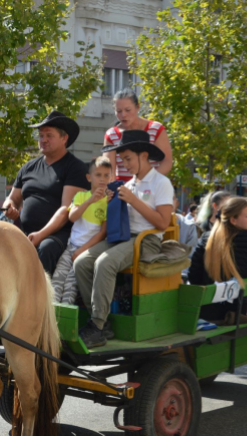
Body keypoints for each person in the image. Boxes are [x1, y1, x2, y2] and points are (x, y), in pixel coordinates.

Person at [74, 130, 173, 348]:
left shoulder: (161, 183)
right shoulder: (128, 185)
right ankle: (101, 322)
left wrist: (133, 201)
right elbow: (121, 219)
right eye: (123, 159)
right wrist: (112, 202)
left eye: (128, 158)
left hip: (146, 241)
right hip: (124, 237)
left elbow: (163, 223)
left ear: (144, 155)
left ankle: (96, 326)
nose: (124, 164)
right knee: (81, 262)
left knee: (105, 262)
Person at [3, 111, 89, 275]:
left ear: (64, 138)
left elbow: (66, 209)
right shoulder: (28, 167)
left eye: (49, 135)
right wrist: (9, 206)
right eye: (41, 135)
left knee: (46, 248)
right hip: (25, 232)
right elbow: (13, 198)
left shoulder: (75, 168)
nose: (43, 140)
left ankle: (39, 298)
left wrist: (41, 235)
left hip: (59, 234)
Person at [188, 197, 247, 321]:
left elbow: (193, 276)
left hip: (206, 310)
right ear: (233, 220)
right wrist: (246, 270)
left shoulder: (206, 237)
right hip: (234, 313)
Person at [52, 156, 111, 304]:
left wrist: (82, 250)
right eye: (98, 175)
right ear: (88, 177)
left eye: (106, 175)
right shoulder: (81, 196)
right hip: (71, 247)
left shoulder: (109, 202)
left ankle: (65, 322)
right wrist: (90, 201)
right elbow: (72, 217)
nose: (102, 179)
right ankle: (51, 317)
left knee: (71, 286)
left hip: (85, 252)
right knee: (56, 282)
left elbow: (102, 233)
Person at [103, 89, 173, 181]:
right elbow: (109, 170)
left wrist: (147, 180)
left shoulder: (155, 129)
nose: (123, 115)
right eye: (119, 111)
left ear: (137, 107)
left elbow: (167, 161)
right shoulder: (111, 134)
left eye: (128, 110)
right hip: (123, 189)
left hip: (152, 185)